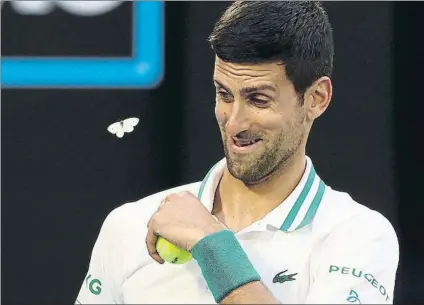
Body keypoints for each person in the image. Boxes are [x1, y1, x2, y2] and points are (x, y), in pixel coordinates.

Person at [75, 1, 399, 304]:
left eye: (258, 99)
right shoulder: (130, 224)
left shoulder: (359, 235)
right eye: (224, 94)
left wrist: (212, 246)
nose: (234, 122)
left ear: (316, 98)